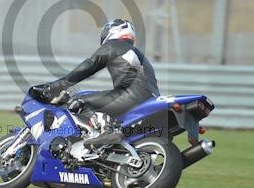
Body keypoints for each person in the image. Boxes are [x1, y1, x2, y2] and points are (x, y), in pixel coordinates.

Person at [31, 19, 159, 148]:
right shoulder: (135, 52)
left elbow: (89, 66)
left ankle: (107, 131)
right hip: (150, 99)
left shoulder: (114, 45)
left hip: (132, 95)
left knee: (78, 101)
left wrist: (55, 86)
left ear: (114, 30)